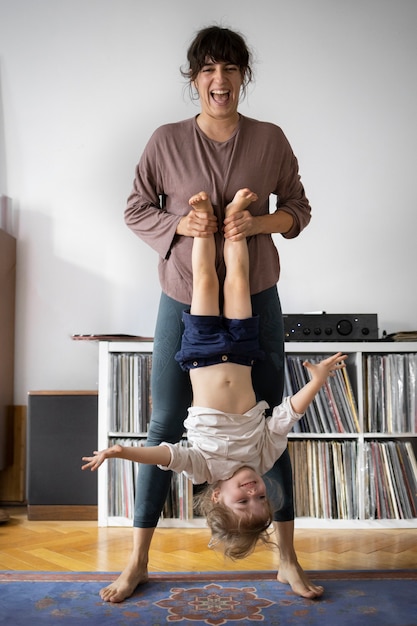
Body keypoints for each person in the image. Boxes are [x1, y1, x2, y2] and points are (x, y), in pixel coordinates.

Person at [101, 24, 319, 603]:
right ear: (194, 78)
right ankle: (137, 560)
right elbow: (135, 209)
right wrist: (181, 223)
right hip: (183, 293)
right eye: (208, 71)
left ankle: (286, 559)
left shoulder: (270, 138)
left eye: (229, 69)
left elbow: (298, 210)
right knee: (162, 423)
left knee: (271, 428)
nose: (219, 81)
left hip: (257, 294)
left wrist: (260, 224)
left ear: (243, 76)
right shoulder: (165, 140)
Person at [83, 189, 346, 561]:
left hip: (201, 355)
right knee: (238, 280)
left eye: (244, 500)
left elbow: (164, 454)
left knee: (204, 282)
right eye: (261, 497)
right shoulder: (264, 458)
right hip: (242, 353)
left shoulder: (203, 469)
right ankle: (238, 213)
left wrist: (120, 451)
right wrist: (317, 381)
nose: (255, 489)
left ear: (218, 497)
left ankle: (204, 225)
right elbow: (287, 415)